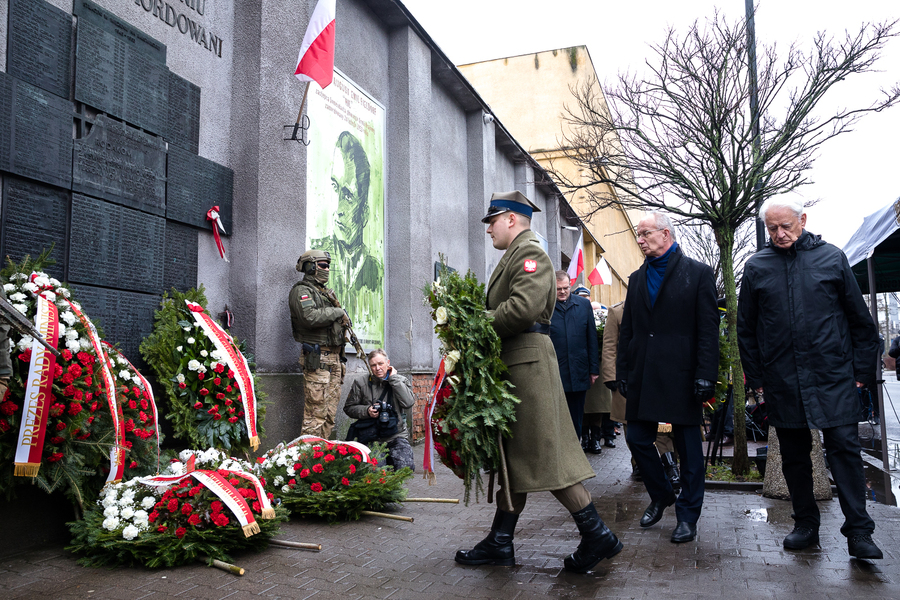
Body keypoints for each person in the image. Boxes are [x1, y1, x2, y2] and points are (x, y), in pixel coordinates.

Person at [455, 191, 622, 574]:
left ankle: (597, 534)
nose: (489, 229)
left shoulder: (530, 254)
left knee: (545, 455)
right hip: (520, 362)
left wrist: (475, 324)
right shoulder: (517, 254)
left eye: (492, 221)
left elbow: (523, 309)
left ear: (511, 219)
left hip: (527, 362)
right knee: (519, 457)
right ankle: (500, 541)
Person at [737, 197, 883, 559]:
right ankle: (806, 524)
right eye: (772, 228)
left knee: (846, 452)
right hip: (783, 379)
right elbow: (746, 329)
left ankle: (859, 533)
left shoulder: (832, 258)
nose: (780, 234)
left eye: (786, 226)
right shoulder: (757, 267)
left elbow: (861, 322)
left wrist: (862, 374)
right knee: (794, 456)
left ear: (803, 219)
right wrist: (757, 379)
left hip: (833, 376)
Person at [616, 211, 719, 543]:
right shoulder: (636, 278)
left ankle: (688, 515)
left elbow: (707, 331)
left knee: (689, 451)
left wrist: (706, 374)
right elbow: (628, 330)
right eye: (638, 235)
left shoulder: (698, 274)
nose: (640, 239)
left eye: (645, 233)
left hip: (683, 375)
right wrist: (623, 371)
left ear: (666, 233)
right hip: (644, 372)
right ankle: (661, 494)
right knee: (636, 437)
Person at [311, 130, 385, 331]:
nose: (338, 209)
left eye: (348, 196)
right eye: (335, 188)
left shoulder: (375, 271)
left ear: (364, 213)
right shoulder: (316, 257)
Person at [289, 249, 349, 439]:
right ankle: (305, 462)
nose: (327, 269)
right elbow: (310, 317)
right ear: (311, 266)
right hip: (318, 359)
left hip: (334, 360)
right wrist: (338, 312)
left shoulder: (324, 293)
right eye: (323, 265)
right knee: (315, 416)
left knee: (329, 416)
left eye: (329, 266)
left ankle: (320, 459)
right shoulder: (301, 291)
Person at [343, 349, 415, 470]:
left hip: (396, 434)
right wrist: (367, 411)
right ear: (370, 367)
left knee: (405, 466)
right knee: (376, 469)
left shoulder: (400, 381)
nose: (377, 368)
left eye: (381, 364)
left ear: (388, 363)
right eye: (373, 365)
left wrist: (394, 380)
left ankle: (395, 487)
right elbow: (348, 408)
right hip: (371, 436)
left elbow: (408, 403)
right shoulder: (361, 383)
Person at [549, 272, 599, 440]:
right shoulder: (545, 306)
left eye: (566, 288)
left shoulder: (583, 305)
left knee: (576, 417)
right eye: (558, 289)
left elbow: (591, 338)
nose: (563, 292)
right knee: (556, 418)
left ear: (571, 286)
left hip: (579, 371)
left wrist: (594, 369)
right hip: (555, 372)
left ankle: (576, 453)